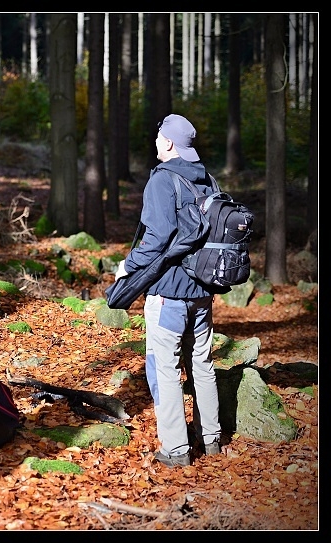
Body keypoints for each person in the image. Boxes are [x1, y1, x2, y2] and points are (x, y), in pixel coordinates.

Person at [115, 114, 222, 468]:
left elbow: (157, 239)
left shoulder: (163, 180)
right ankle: (211, 439)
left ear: (169, 143)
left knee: (165, 367)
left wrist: (127, 266)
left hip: (168, 291)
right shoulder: (208, 179)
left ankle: (176, 449)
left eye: (159, 136)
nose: (156, 141)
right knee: (202, 365)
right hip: (203, 291)